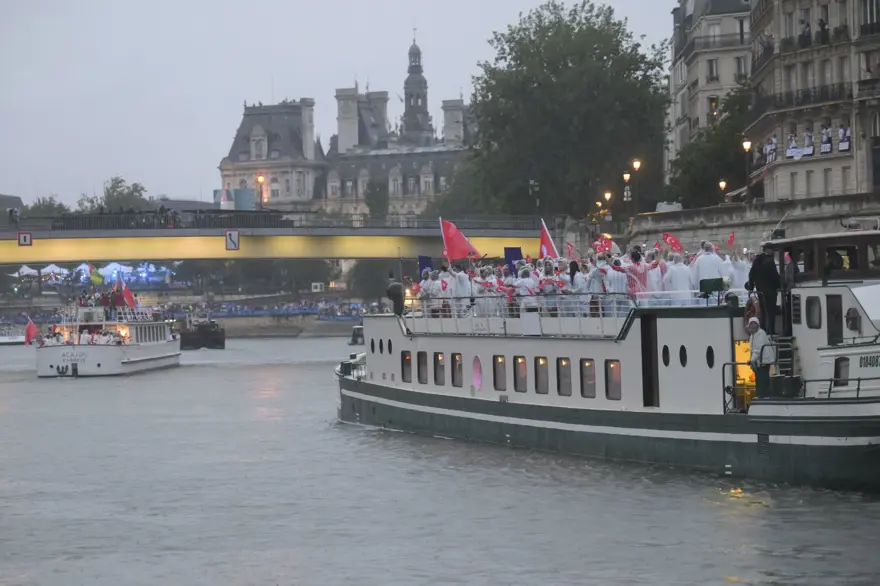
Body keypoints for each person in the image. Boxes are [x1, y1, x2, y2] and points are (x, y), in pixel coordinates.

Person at [747, 245, 781, 335]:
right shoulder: (769, 261)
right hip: (770, 291)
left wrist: (751, 286)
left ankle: (763, 329)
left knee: (763, 311)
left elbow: (751, 274)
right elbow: (775, 276)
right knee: (771, 311)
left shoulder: (757, 261)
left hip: (760, 291)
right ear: (769, 250)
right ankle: (771, 331)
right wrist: (780, 285)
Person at [748, 316, 776, 398]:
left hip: (765, 360)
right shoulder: (752, 336)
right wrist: (752, 362)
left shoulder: (761, 334)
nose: (753, 325)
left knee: (763, 379)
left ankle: (764, 395)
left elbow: (758, 349)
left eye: (754, 323)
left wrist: (751, 360)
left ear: (758, 325)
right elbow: (752, 350)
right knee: (759, 379)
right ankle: (760, 395)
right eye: (751, 324)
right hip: (759, 362)